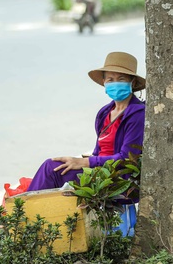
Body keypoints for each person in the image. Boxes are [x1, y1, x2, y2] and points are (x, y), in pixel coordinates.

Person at [26, 52, 146, 192]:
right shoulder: (105, 113)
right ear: (104, 83)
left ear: (133, 82)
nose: (115, 83)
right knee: (55, 164)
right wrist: (80, 162)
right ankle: (26, 208)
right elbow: (98, 152)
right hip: (98, 171)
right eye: (110, 79)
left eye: (121, 79)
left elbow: (127, 158)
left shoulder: (138, 114)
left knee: (51, 169)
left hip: (117, 179)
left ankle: (22, 210)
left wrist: (85, 162)